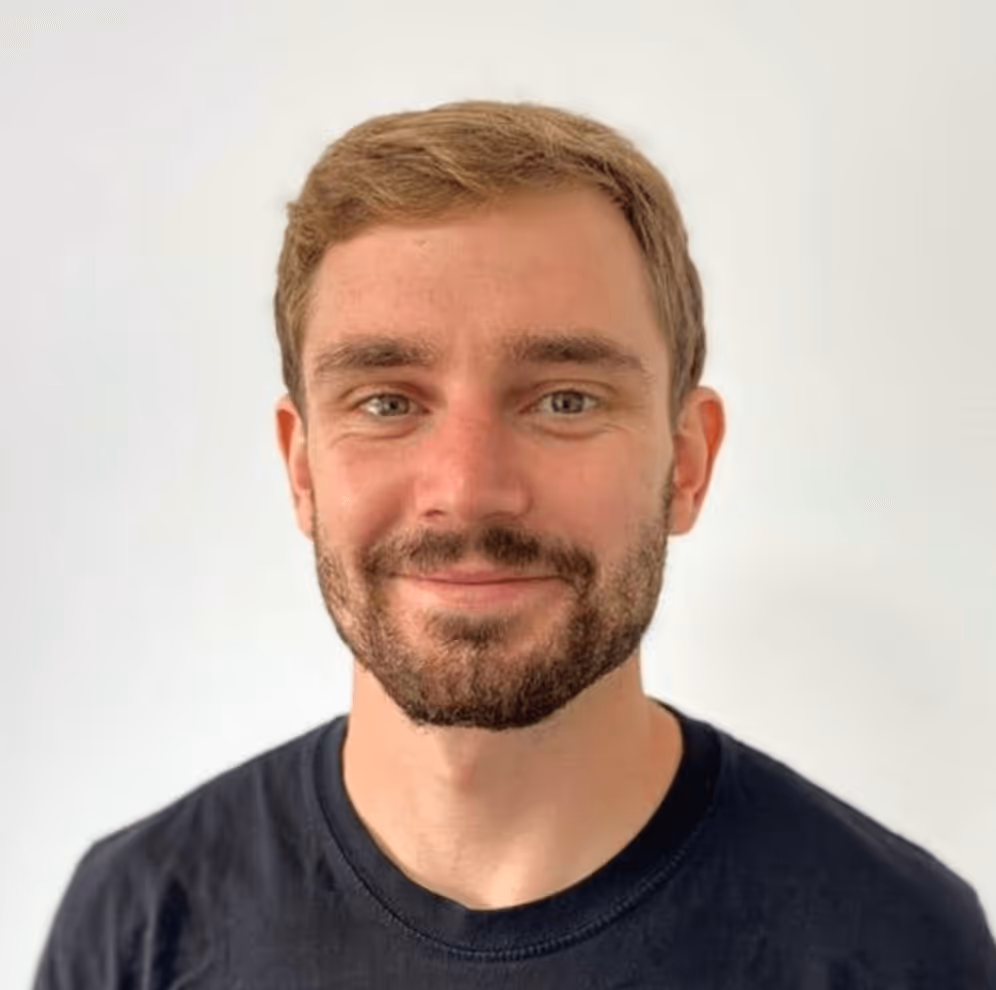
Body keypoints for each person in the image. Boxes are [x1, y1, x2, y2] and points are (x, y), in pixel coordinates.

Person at [32, 99, 996, 988]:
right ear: (302, 469)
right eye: (386, 402)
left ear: (687, 463)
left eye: (565, 399)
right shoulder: (140, 924)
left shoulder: (898, 945)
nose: (468, 489)